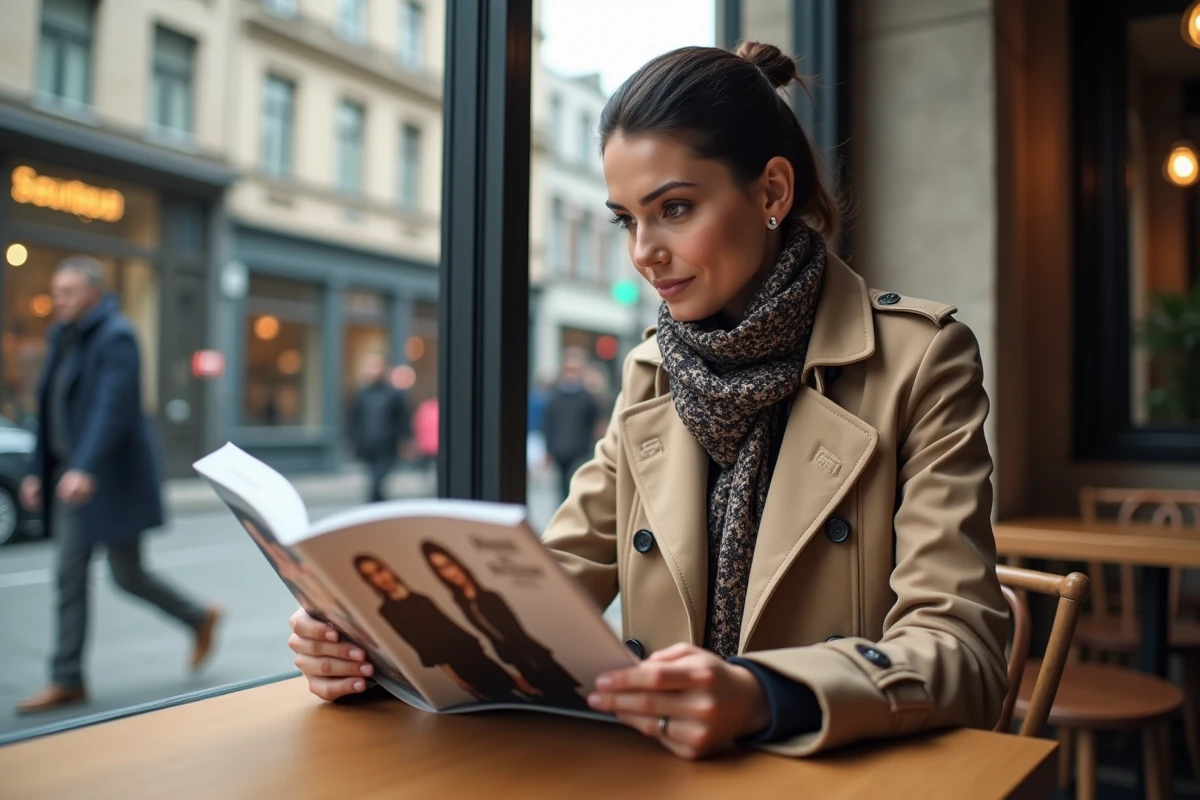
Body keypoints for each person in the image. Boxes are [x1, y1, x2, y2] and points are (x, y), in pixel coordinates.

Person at [287, 42, 1009, 761]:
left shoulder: (920, 359)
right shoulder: (653, 371)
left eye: (674, 209)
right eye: (625, 219)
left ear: (772, 194)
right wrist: (375, 645)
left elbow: (961, 651)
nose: (643, 251)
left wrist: (762, 694)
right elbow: (545, 592)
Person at [17, 256, 222, 714]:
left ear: (94, 292)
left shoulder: (117, 336)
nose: (59, 299)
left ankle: (198, 616)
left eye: (68, 291)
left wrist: (85, 467)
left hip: (107, 478)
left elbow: (112, 408)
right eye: (57, 291)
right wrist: (38, 470)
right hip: (74, 476)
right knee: (73, 575)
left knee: (126, 574)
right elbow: (49, 409)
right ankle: (68, 677)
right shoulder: (64, 337)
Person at [421, 542, 587, 710]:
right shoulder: (461, 602)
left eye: (449, 565)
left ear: (458, 562)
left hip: (533, 659)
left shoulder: (491, 597)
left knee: (570, 702)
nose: (449, 573)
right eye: (440, 569)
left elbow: (516, 633)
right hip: (513, 663)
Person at [353, 555, 526, 702]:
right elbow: (423, 646)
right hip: (461, 667)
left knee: (518, 693)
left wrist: (507, 672)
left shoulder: (422, 598)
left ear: (388, 568)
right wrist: (457, 680)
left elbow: (453, 628)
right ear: (369, 582)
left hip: (477, 655)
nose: (381, 578)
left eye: (379, 570)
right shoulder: (388, 611)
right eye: (371, 576)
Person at [348, 353, 412, 503]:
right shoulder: (361, 394)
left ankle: (374, 513)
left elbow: (403, 419)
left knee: (376, 484)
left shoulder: (393, 394)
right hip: (368, 447)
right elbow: (355, 420)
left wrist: (406, 440)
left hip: (387, 447)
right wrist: (354, 441)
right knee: (376, 484)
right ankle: (381, 511)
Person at [541, 348, 600, 501]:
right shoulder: (555, 396)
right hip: (559, 451)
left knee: (575, 487)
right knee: (561, 491)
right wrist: (548, 450)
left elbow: (595, 423)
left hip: (579, 452)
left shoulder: (587, 397)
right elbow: (549, 423)